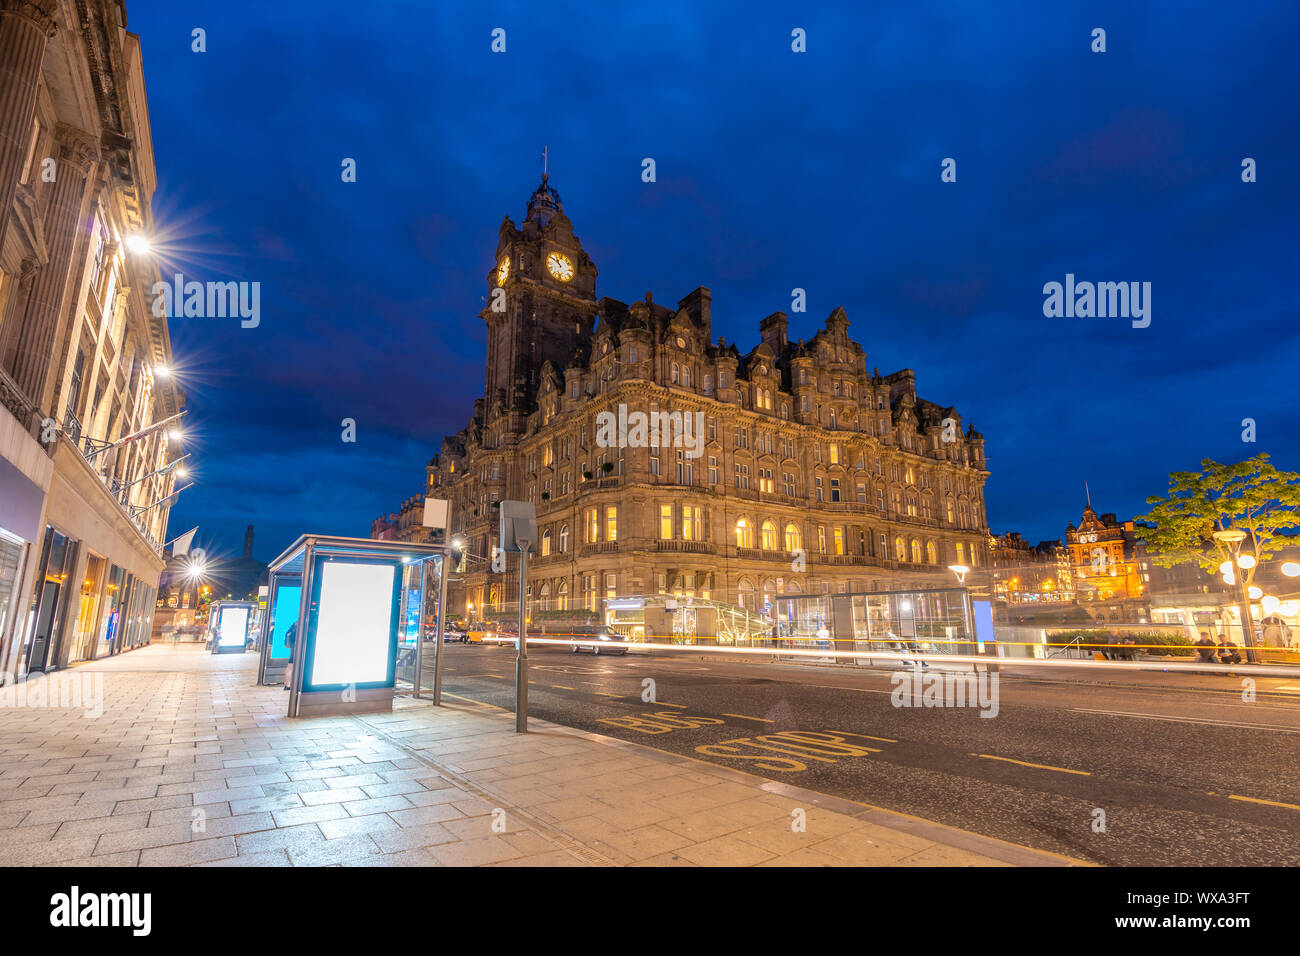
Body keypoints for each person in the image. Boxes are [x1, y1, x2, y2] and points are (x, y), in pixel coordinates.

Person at [283, 621, 298, 691]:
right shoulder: (302, 623)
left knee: (290, 667)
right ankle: (289, 684)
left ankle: (287, 684)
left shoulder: (295, 623)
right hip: (298, 648)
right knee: (291, 667)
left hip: (292, 647)